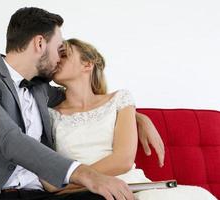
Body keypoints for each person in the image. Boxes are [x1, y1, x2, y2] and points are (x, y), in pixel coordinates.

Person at [0, 7, 165, 200]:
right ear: (40, 43)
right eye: (59, 48)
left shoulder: (41, 89)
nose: (59, 58)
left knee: (106, 198)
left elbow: (85, 101)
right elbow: (9, 139)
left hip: (39, 194)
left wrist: (134, 115)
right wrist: (87, 175)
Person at [42, 38, 216, 199]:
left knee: (198, 195)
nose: (56, 60)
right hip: (84, 193)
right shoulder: (49, 113)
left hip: (130, 184)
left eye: (64, 54)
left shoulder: (120, 99)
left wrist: (70, 181)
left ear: (87, 64)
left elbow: (123, 160)